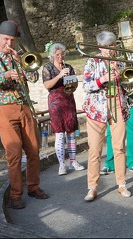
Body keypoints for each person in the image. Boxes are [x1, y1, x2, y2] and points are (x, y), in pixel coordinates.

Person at [0, 20, 49, 210]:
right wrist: (6, 75)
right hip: (4, 110)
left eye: (12, 40)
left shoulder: (19, 57)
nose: (9, 44)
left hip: (24, 107)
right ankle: (15, 195)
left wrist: (22, 64)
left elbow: (34, 78)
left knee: (34, 150)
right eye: (5, 39)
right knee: (14, 153)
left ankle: (33, 187)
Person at [81, 30, 132, 202]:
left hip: (117, 105)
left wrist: (119, 72)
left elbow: (130, 87)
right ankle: (92, 187)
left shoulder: (120, 61)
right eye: (107, 46)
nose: (110, 49)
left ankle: (122, 184)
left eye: (112, 45)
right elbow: (86, 86)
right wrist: (102, 79)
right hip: (97, 109)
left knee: (119, 147)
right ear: (100, 47)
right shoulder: (92, 62)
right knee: (95, 149)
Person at [42, 41, 85, 176]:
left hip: (68, 101)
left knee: (71, 132)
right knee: (60, 134)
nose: (61, 57)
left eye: (63, 54)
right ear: (52, 55)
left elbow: (74, 87)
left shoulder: (69, 67)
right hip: (56, 103)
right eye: (58, 55)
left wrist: (71, 80)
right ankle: (61, 164)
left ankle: (73, 161)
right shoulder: (47, 67)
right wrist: (60, 76)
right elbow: (47, 85)